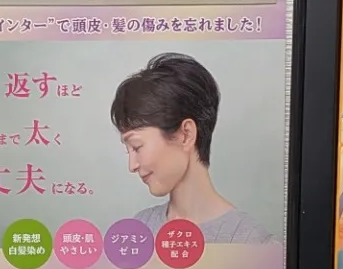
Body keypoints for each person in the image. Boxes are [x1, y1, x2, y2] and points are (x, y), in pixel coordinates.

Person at [114, 53, 273, 243]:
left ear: (186, 134)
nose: (132, 166)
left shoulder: (251, 241)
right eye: (128, 150)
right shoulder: (141, 227)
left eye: (137, 146)